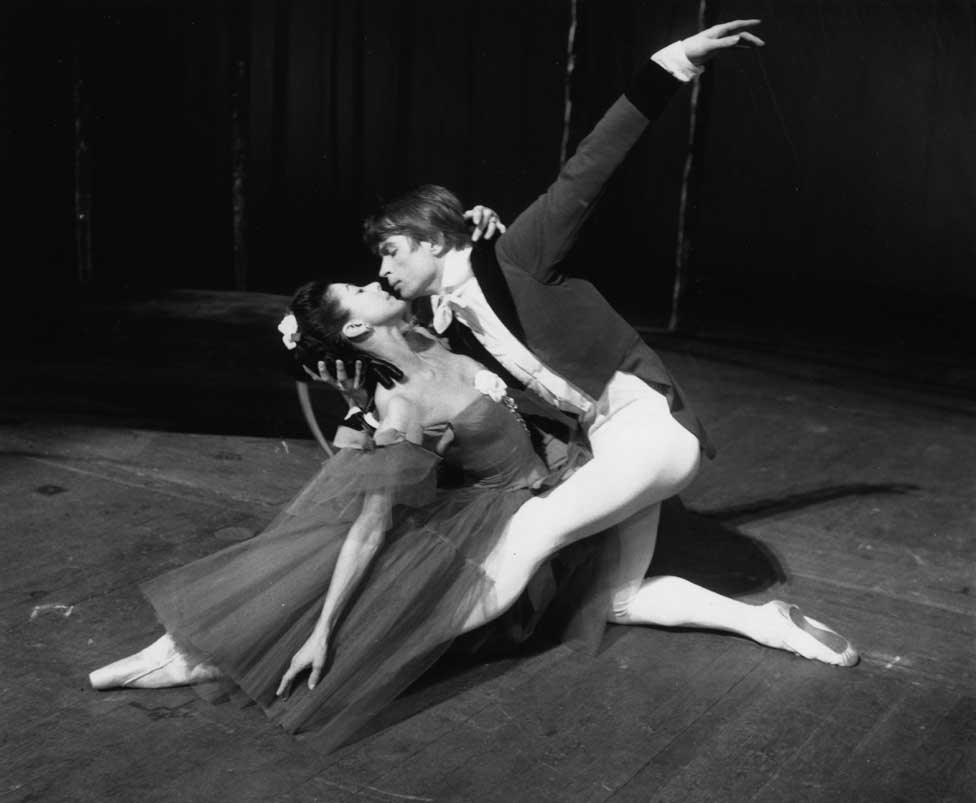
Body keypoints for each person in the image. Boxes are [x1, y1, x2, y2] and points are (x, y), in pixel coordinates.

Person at [89, 277, 856, 753]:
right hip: (503, 517)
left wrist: (473, 232)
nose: (378, 279)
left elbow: (470, 280)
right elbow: (367, 521)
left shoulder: (431, 329)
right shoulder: (399, 403)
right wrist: (323, 629)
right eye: (361, 288)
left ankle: (762, 620)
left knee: (615, 594)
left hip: (562, 483)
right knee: (352, 580)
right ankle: (188, 652)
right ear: (356, 328)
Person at [363, 20, 784, 644]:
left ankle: (383, 649)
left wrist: (673, 62)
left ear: (433, 240)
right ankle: (766, 623)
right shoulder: (448, 324)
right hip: (611, 446)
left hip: (652, 429)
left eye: (393, 252)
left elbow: (593, 164)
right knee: (618, 600)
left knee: (531, 533)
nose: (384, 270)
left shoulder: (517, 253)